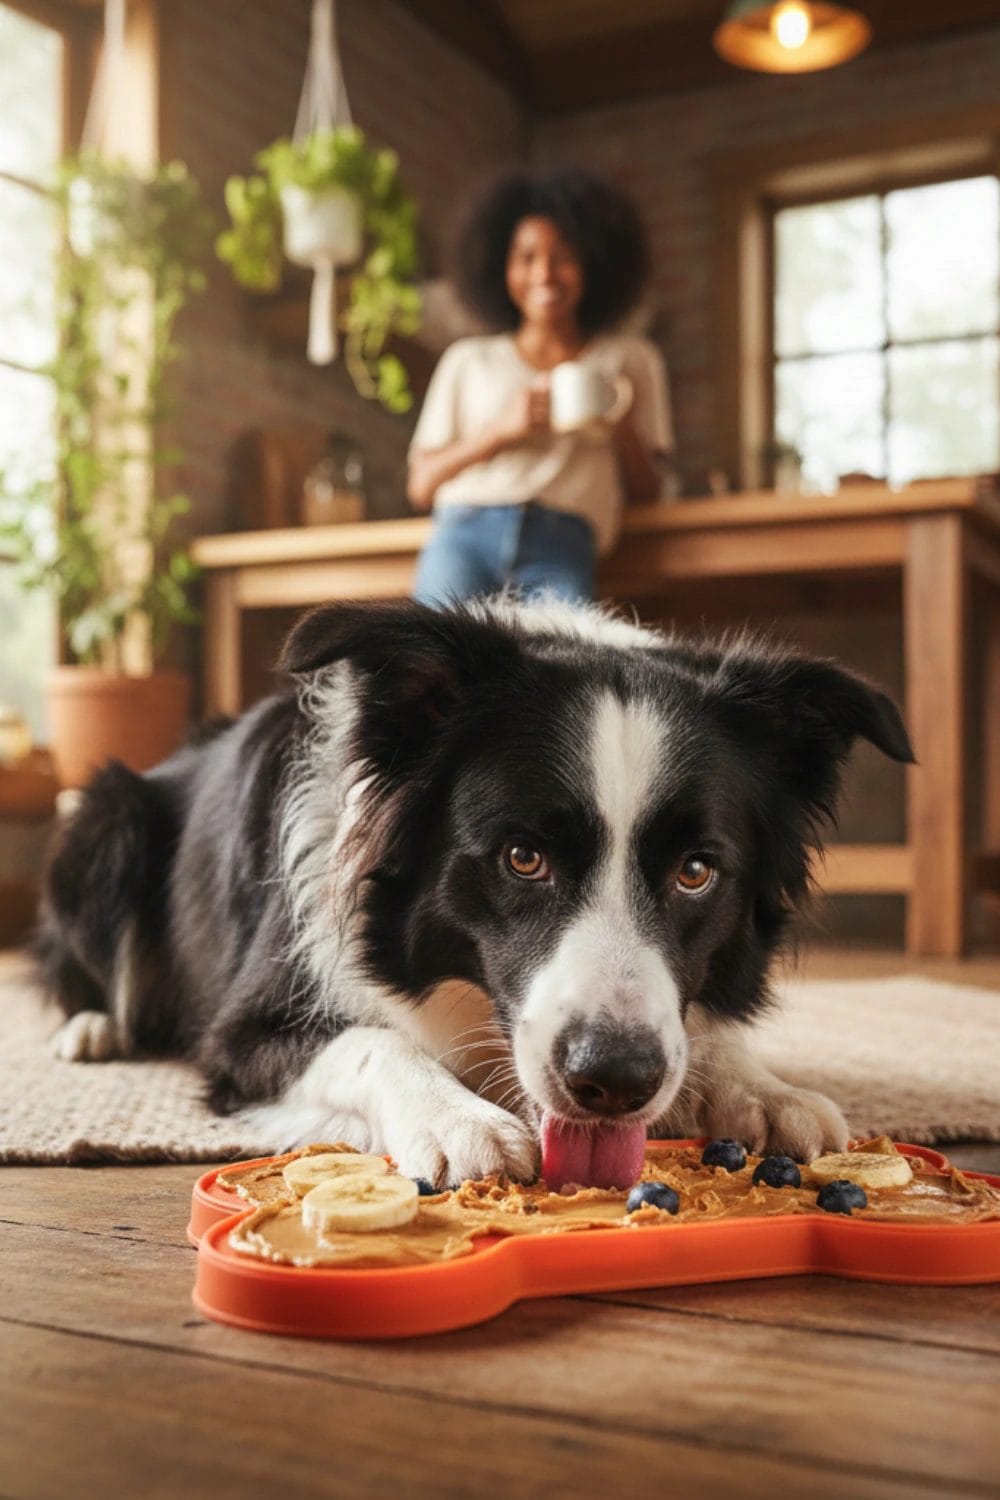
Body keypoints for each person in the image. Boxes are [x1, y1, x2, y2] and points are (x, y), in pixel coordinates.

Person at [407, 167, 673, 606]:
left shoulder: (630, 361)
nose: (545, 273)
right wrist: (499, 432)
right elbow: (421, 485)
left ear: (591, 264)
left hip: (564, 540)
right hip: (464, 532)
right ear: (501, 268)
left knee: (560, 665)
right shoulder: (468, 360)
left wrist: (619, 423)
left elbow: (649, 491)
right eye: (526, 257)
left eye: (564, 257)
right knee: (430, 656)